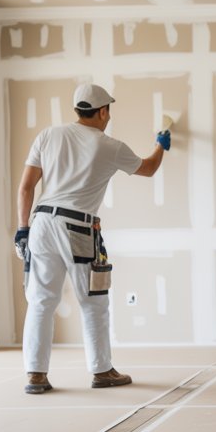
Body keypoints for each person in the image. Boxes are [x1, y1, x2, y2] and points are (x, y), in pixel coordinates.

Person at [14, 82, 170, 394]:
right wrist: (161, 144)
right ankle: (101, 371)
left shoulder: (48, 135)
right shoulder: (108, 146)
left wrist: (22, 229)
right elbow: (149, 168)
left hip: (41, 223)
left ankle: (36, 375)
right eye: (108, 111)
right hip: (77, 227)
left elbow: (26, 187)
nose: (109, 117)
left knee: (41, 301)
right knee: (93, 302)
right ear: (101, 111)